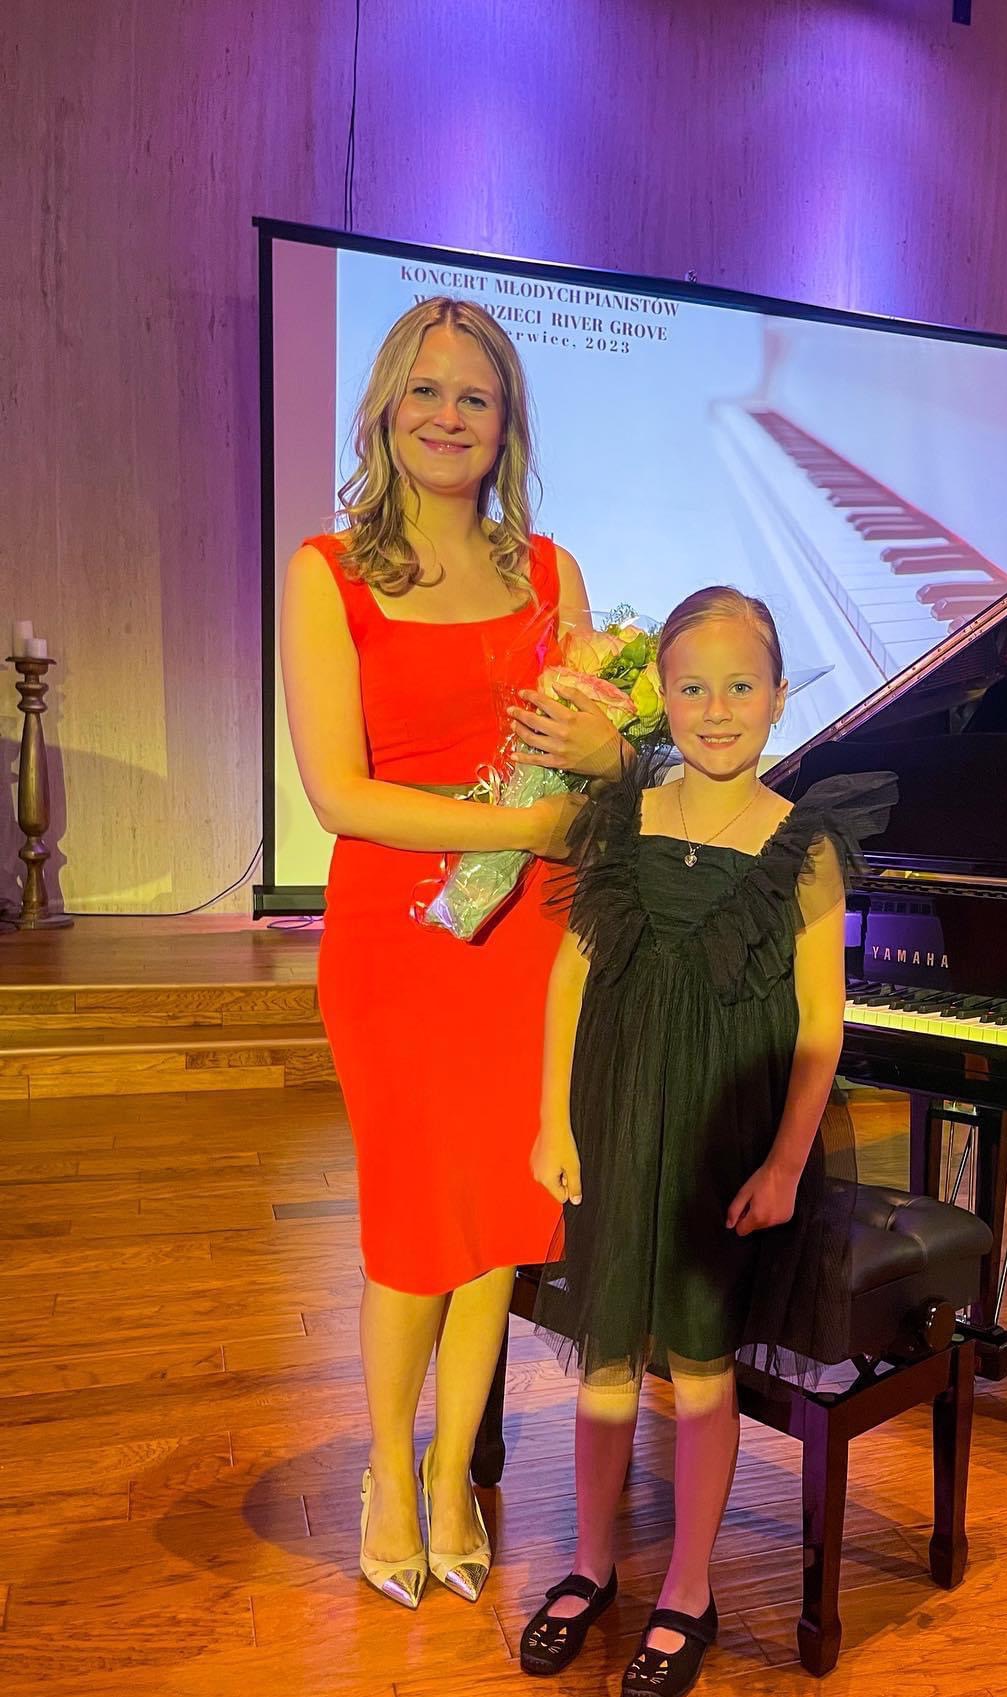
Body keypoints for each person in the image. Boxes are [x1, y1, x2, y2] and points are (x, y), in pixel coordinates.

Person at [280, 297, 620, 1609]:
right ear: (383, 409)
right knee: (415, 1217)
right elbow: (340, 796)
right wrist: (526, 824)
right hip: (397, 937)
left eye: (474, 396)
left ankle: (450, 1476)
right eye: (424, 391)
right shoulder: (327, 573)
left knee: (500, 1214)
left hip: (525, 935)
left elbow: (593, 758)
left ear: (504, 424)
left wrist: (607, 761)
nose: (447, 415)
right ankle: (386, 1469)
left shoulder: (552, 573)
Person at [523, 586, 894, 1697]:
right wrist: (552, 1119)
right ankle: (592, 1563)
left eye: (740, 687)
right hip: (613, 1120)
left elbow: (822, 1027)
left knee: (697, 1364)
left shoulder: (802, 848)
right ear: (660, 699)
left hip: (723, 1143)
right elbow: (573, 974)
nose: (717, 709)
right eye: (693, 688)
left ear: (778, 700)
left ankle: (689, 1588)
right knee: (603, 1355)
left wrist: (783, 1163)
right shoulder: (621, 821)